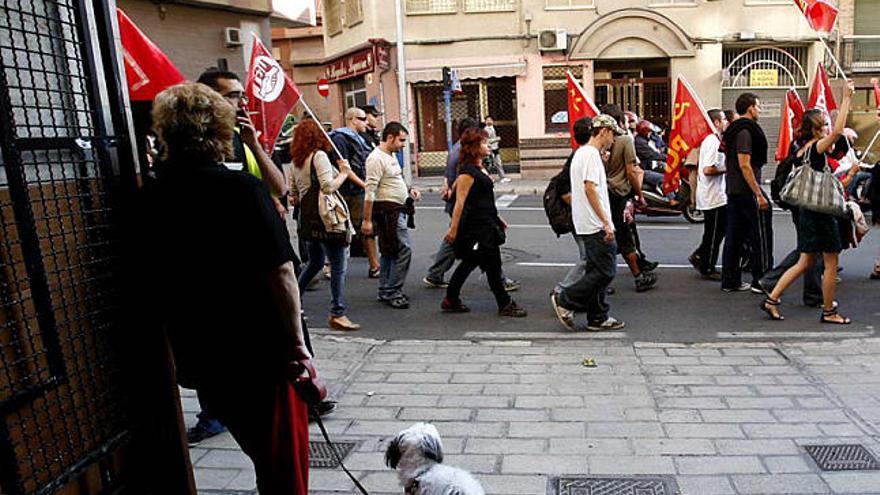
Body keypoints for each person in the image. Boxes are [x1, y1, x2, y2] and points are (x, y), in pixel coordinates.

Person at [142, 82, 312, 493]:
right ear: (219, 132)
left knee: (257, 446)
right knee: (284, 466)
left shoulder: (152, 196)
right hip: (261, 351)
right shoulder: (241, 191)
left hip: (201, 352)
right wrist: (296, 345)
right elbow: (281, 273)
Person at [186, 68, 290, 445]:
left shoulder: (239, 141)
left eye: (241, 97)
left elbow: (279, 187)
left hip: (249, 268)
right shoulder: (191, 146)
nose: (240, 104)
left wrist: (254, 144)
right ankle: (213, 413)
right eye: (231, 96)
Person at [761, 81, 856, 324]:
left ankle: (771, 299)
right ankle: (829, 311)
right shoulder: (816, 147)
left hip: (807, 212)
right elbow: (838, 133)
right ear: (814, 130)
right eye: (823, 125)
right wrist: (846, 99)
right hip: (820, 213)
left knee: (805, 261)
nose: (827, 128)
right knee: (831, 261)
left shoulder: (804, 149)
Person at [423, 118, 520, 292]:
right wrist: (454, 225)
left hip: (474, 211)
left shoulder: (463, 154)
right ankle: (498, 282)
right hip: (469, 211)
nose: (486, 144)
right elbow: (461, 190)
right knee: (470, 247)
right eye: (481, 139)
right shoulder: (462, 155)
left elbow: (452, 180)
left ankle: (438, 277)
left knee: (467, 249)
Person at [550, 115, 627, 331]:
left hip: (586, 223)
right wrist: (606, 222)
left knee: (595, 270)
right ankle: (565, 300)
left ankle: (598, 316)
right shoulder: (591, 155)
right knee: (606, 271)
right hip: (595, 224)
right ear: (603, 132)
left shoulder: (581, 153)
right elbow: (590, 188)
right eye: (613, 134)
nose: (613, 140)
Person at [441, 127, 526, 317]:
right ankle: (504, 303)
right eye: (485, 143)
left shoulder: (478, 168)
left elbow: (481, 198)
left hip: (486, 223)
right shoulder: (467, 173)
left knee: (471, 262)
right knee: (493, 265)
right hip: (476, 228)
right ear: (474, 147)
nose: (489, 146)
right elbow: (459, 202)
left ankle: (451, 298)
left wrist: (496, 217)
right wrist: (453, 230)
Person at [289, 119, 360, 331]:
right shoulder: (319, 156)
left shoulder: (296, 161)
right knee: (338, 265)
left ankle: (294, 303)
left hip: (307, 220)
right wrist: (344, 174)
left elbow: (293, 195)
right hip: (326, 219)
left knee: (315, 262)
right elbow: (328, 187)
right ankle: (337, 312)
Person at [362, 122, 421, 309]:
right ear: (390, 137)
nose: (403, 144)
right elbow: (370, 191)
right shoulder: (376, 158)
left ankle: (386, 290)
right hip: (389, 212)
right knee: (403, 250)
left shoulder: (390, 156)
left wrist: (409, 190)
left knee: (390, 251)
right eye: (401, 140)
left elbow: (395, 179)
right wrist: (366, 220)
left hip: (397, 210)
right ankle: (393, 291)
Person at [720, 92, 774, 293]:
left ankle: (730, 280)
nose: (759, 110)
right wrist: (758, 194)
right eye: (758, 106)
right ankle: (762, 280)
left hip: (734, 189)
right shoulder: (744, 131)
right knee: (760, 235)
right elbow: (745, 165)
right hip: (746, 190)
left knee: (735, 236)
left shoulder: (732, 130)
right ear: (750, 108)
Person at [602, 106, 658, 292]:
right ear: (618, 122)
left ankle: (637, 267)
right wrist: (640, 194)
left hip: (605, 194)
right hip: (620, 194)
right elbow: (631, 171)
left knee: (611, 235)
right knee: (624, 236)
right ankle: (637, 276)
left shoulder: (597, 143)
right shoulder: (625, 140)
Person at [330, 107, 380, 278]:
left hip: (359, 190)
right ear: (352, 119)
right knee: (341, 230)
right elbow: (343, 167)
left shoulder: (361, 139)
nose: (366, 122)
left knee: (366, 228)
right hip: (347, 192)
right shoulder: (340, 139)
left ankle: (375, 266)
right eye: (362, 119)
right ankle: (330, 265)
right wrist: (364, 185)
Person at [689, 109, 728, 279]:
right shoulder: (712, 141)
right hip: (713, 197)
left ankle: (699, 255)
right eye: (724, 119)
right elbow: (708, 169)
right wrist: (728, 169)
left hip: (716, 195)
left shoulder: (715, 140)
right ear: (716, 122)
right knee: (714, 233)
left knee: (716, 232)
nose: (726, 122)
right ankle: (707, 267)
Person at [484, 116, 509, 183]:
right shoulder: (485, 130)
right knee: (489, 164)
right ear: (485, 122)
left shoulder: (494, 128)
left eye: (490, 120)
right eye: (487, 120)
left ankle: (502, 177)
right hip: (489, 149)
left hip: (495, 148)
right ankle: (487, 177)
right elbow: (486, 140)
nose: (489, 121)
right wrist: (496, 139)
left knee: (498, 163)